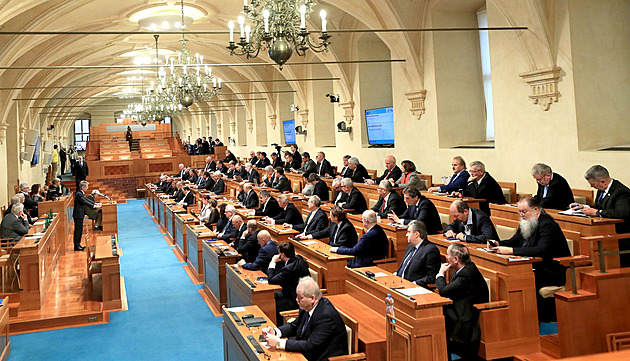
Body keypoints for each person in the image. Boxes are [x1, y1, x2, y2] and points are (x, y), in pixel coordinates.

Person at [490, 197, 571, 321]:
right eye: (520, 212)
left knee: (518, 281)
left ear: (536, 210)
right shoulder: (527, 222)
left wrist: (511, 251)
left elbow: (541, 250)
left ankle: (528, 320)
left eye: (524, 211)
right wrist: (498, 244)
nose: (522, 215)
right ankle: (517, 319)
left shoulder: (548, 225)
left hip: (551, 271)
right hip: (536, 267)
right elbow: (514, 241)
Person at [263, 276, 348, 360]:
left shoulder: (325, 316)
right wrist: (275, 332)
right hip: (308, 354)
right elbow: (295, 325)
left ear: (312, 298)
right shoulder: (307, 306)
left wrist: (278, 343)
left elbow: (310, 345)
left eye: (300, 298)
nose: (296, 300)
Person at [436, 243, 489, 361]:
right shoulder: (463, 268)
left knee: (437, 316)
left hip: (467, 317)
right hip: (460, 307)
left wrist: (440, 273)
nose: (446, 256)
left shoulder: (467, 273)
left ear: (456, 259)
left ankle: (443, 355)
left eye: (448, 254)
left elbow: (444, 290)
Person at [570, 165, 630, 266]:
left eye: (593, 184)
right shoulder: (602, 189)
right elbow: (599, 207)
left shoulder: (621, 192)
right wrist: (583, 207)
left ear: (603, 181)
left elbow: (621, 213)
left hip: (620, 236)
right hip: (605, 232)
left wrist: (598, 213)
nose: (592, 187)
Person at [267, 242, 310, 320]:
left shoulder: (288, 269)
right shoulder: (299, 258)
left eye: (279, 253)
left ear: (282, 255)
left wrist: (273, 262)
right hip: (302, 292)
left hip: (293, 298)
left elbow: (271, 280)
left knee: (271, 298)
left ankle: (277, 323)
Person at [394, 220, 440, 287]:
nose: (406, 235)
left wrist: (415, 283)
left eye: (409, 232)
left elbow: (432, 276)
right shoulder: (410, 246)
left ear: (416, 234)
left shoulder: (430, 250)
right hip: (400, 283)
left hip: (414, 288)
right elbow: (404, 267)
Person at [73, 181, 102, 251]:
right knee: (78, 230)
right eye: (86, 187)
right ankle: (76, 246)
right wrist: (94, 206)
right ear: (82, 187)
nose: (87, 188)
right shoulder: (79, 194)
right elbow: (85, 201)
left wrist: (96, 204)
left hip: (80, 214)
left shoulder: (81, 193)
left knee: (79, 230)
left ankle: (78, 244)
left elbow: (87, 200)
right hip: (78, 214)